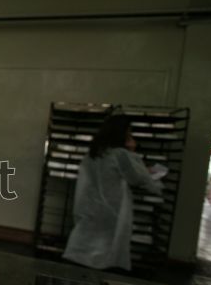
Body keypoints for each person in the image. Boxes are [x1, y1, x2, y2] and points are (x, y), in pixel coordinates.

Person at [63, 115, 163, 272]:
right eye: (129, 131)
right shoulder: (120, 154)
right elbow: (137, 178)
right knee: (105, 252)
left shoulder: (94, 153)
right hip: (111, 208)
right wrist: (133, 153)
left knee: (83, 246)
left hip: (90, 206)